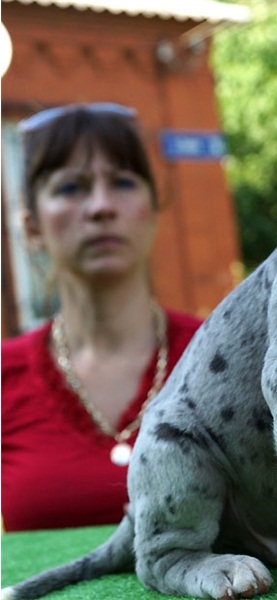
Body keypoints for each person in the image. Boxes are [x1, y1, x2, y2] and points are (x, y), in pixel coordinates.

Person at [1, 103, 203, 532]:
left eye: (123, 182)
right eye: (70, 188)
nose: (101, 206)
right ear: (32, 225)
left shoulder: (220, 355)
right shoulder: (6, 376)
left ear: (153, 208)